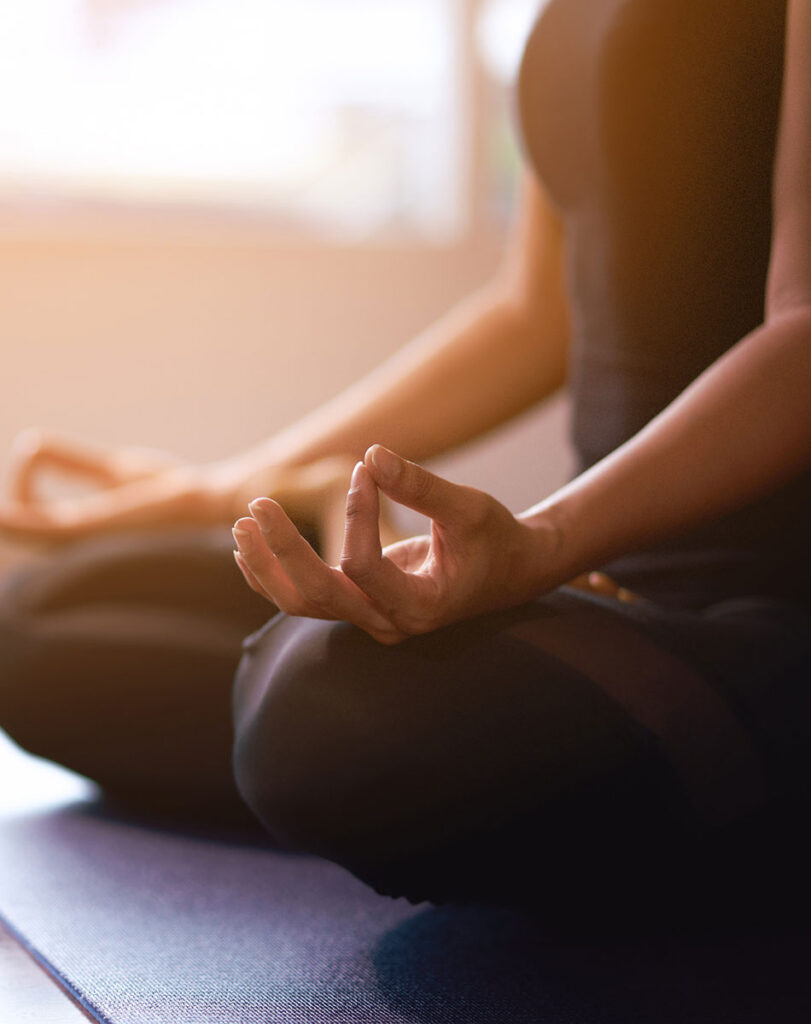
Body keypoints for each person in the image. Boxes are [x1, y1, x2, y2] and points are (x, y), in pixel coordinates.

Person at [2, 0, 810, 916]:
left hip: (757, 612)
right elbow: (533, 312)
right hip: (595, 586)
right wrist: (234, 484)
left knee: (325, 713)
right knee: (42, 628)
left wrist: (543, 546)